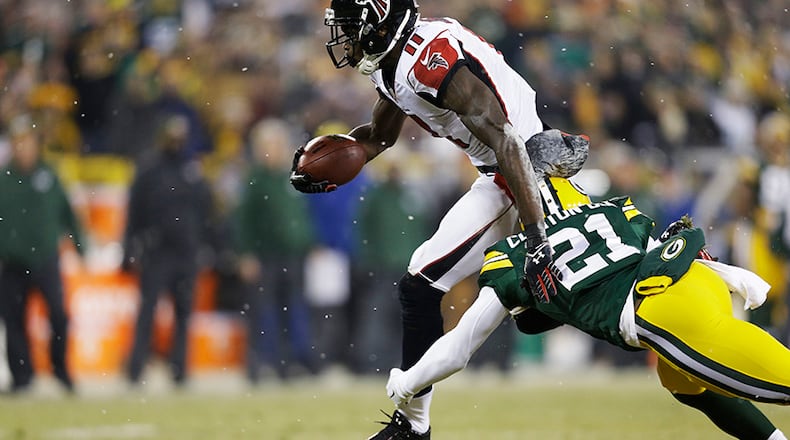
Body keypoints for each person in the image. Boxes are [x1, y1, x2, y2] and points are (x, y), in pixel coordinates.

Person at [289, 2, 588, 436]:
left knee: (422, 285)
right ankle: (415, 422)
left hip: (520, 170)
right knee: (419, 288)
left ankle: (414, 425)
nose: (346, 41)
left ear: (379, 24)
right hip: (504, 169)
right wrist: (333, 158)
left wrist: (536, 234)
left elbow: (505, 139)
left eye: (353, 29)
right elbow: (379, 136)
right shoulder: (392, 61)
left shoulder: (428, 62)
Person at [384, 177, 790, 440]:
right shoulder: (613, 208)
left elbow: (458, 347)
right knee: (682, 380)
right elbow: (660, 246)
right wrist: (727, 273)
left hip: (661, 312)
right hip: (692, 281)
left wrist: (406, 383)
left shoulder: (511, 253)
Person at [121, 115, 220, 387]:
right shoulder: (149, 168)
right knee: (148, 312)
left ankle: (180, 370)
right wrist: (128, 250)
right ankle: (135, 369)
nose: (176, 140)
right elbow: (134, 212)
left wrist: (210, 246)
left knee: (184, 313)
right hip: (157, 251)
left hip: (186, 252)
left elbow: (206, 213)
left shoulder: (192, 169)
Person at [0, 114, 84, 394]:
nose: (23, 147)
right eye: (18, 142)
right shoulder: (4, 179)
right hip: (11, 261)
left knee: (59, 315)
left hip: (46, 258)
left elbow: (68, 213)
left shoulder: (49, 174)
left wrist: (80, 244)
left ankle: (60, 370)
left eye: (27, 141)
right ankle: (23, 377)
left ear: (36, 144)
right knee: (14, 320)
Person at [234, 118, 318, 381]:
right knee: (263, 311)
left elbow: (302, 216)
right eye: (269, 145)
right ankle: (257, 365)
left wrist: (309, 242)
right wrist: (245, 254)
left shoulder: (292, 176)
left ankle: (286, 364)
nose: (275, 150)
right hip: (265, 254)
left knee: (290, 309)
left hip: (292, 255)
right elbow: (242, 221)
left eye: (278, 144)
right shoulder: (255, 180)